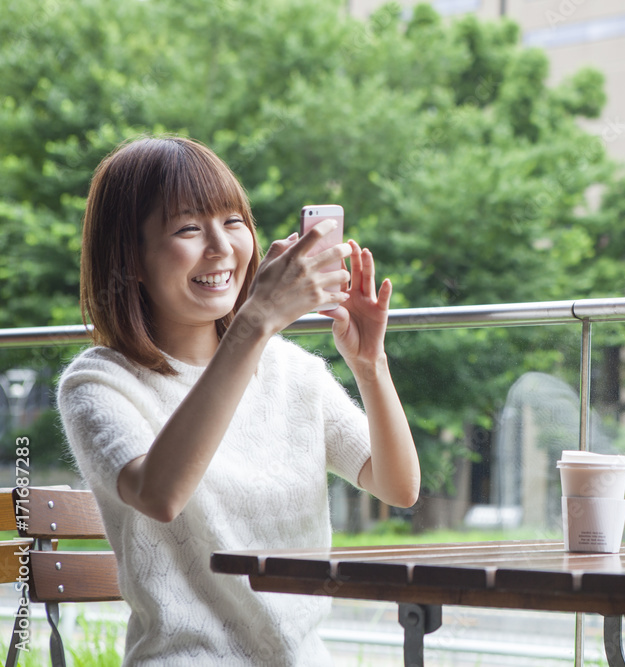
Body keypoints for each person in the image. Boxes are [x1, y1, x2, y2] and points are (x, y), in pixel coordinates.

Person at [58, 135, 420, 665]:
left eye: (232, 221)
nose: (222, 246)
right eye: (187, 228)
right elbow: (159, 494)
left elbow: (398, 486)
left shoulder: (293, 372)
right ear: (129, 257)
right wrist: (255, 322)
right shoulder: (98, 384)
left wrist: (371, 366)